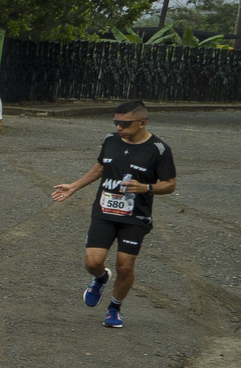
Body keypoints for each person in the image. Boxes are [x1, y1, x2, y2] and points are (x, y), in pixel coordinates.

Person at [50, 101, 178, 327]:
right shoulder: (111, 140)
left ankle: (114, 308)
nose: (119, 127)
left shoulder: (159, 149)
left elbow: (170, 184)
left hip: (135, 217)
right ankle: (101, 278)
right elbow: (101, 166)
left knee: (125, 266)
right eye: (116, 122)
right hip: (104, 211)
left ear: (142, 123)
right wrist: (74, 186)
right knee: (92, 262)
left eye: (125, 124)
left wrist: (146, 187)